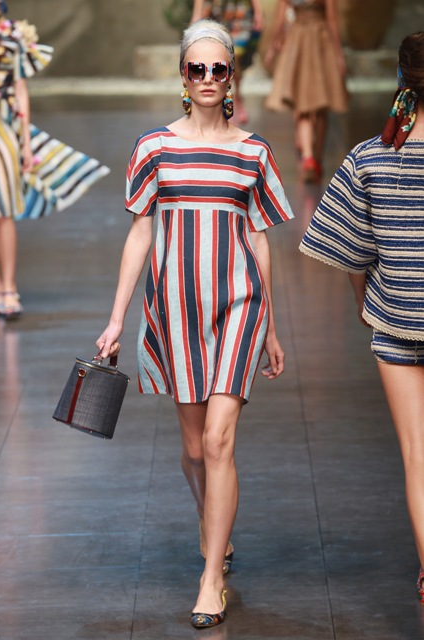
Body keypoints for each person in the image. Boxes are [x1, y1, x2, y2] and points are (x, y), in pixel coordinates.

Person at [96, 19, 294, 628]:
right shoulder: (153, 147)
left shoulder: (254, 152)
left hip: (239, 305)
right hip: (174, 309)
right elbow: (140, 232)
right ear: (182, 76)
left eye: (218, 69)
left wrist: (270, 326)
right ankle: (214, 525)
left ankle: (211, 580)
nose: (208, 78)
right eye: (196, 68)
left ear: (232, 77)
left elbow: (259, 239)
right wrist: (116, 318)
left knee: (217, 442)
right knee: (192, 450)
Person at [299, 32, 424, 604]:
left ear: (403, 83)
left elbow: (350, 252)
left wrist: (364, 304)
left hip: (395, 322)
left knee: (417, 456)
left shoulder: (371, 157)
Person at [0, 1, 109, 320]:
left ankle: (8, 287)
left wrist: (25, 142)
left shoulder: (11, 37)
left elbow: (20, 89)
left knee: (4, 208)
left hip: (2, 128)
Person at [264, 0, 347, 182]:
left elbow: (280, 21)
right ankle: (317, 158)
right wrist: (339, 54)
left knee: (301, 104)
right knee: (321, 105)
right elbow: (332, 19)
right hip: (320, 41)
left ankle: (308, 158)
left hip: (298, 40)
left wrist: (272, 48)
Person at [191, 0, 264, 124]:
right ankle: (224, 100)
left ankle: (237, 97)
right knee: (219, 57)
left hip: (239, 13)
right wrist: (197, 14)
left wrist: (258, 12)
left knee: (235, 57)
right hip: (216, 12)